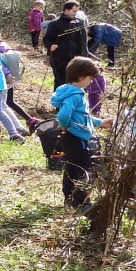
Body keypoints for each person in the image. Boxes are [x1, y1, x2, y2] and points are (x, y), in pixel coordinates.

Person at [51, 56, 113, 211]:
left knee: (71, 169)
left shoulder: (69, 91)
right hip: (76, 139)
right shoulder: (76, 95)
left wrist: (99, 122)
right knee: (86, 170)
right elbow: (64, 116)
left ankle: (69, 199)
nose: (91, 82)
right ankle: (81, 202)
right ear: (81, 77)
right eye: (91, 79)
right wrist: (65, 126)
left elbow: (81, 117)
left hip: (71, 137)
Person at [0, 29, 37, 131]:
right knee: (9, 101)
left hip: (4, 77)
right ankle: (29, 120)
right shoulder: (4, 45)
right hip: (13, 76)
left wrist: (6, 74)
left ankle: (13, 127)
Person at [42, 0, 89, 90]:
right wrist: (51, 45)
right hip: (58, 58)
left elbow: (80, 42)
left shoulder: (77, 24)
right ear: (66, 11)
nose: (75, 13)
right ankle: (59, 102)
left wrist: (81, 56)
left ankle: (69, 102)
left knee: (72, 81)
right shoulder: (55, 24)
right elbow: (47, 39)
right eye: (74, 11)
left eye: (76, 11)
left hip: (73, 59)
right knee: (60, 81)